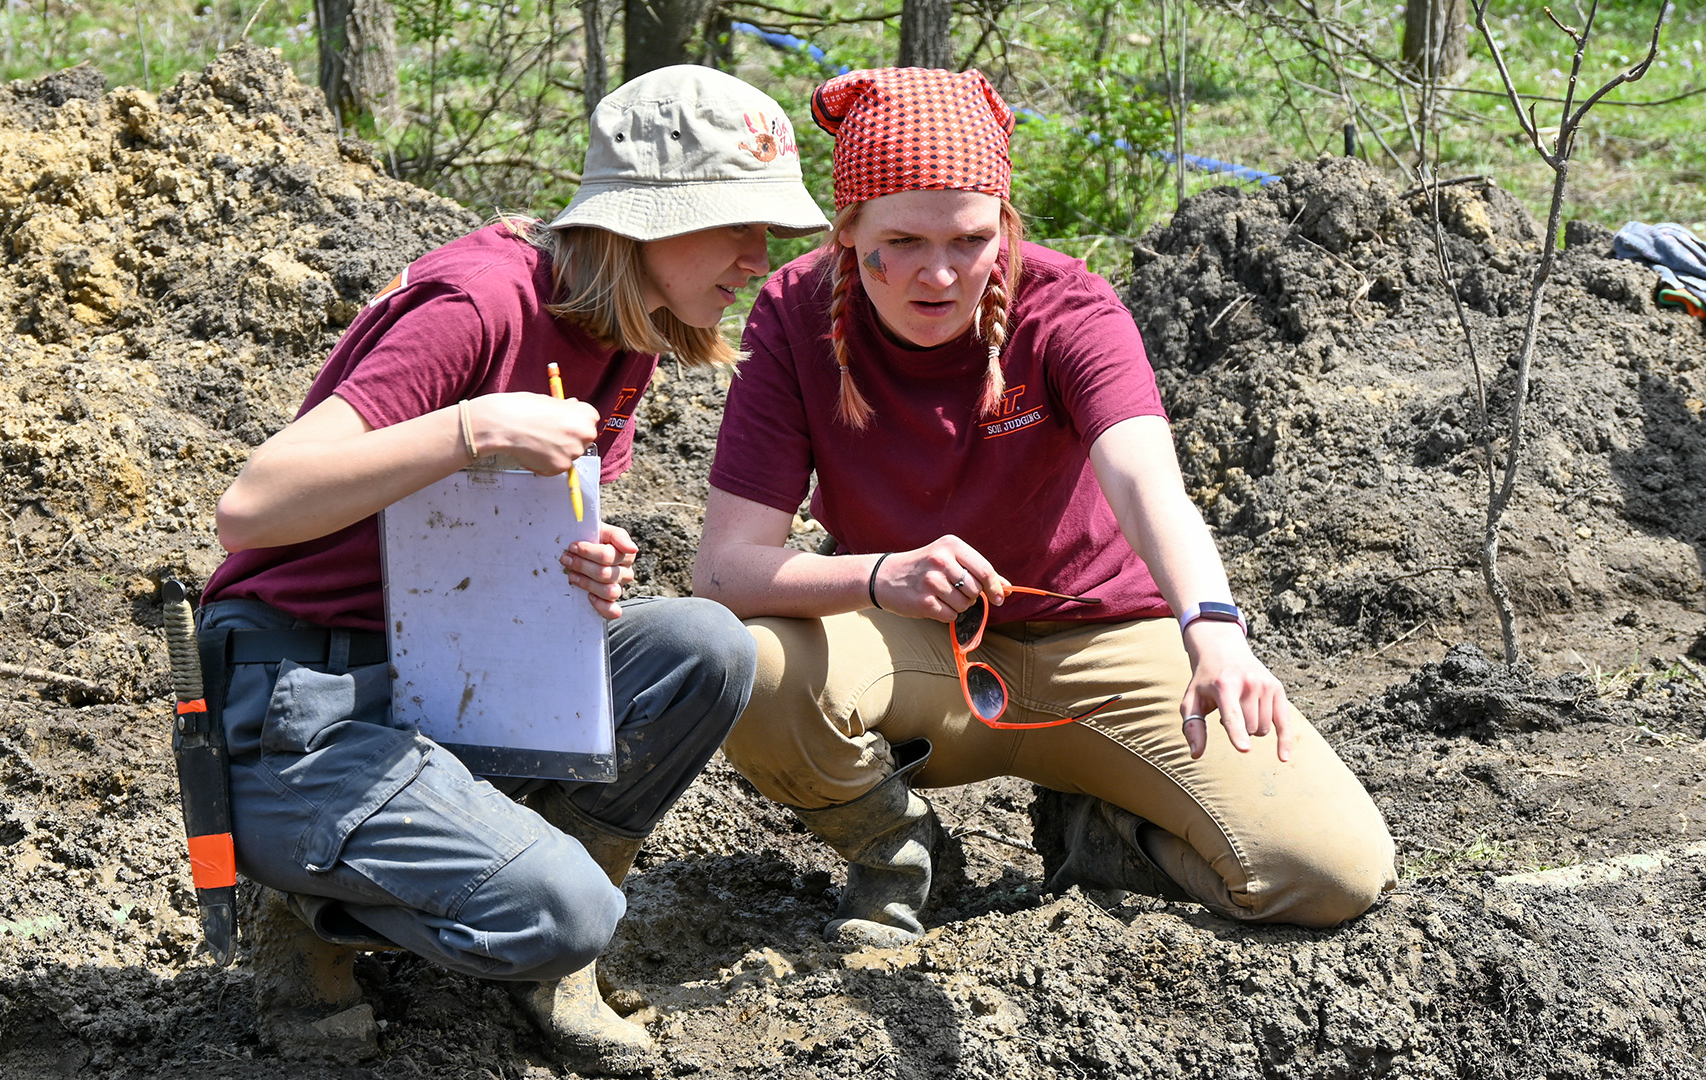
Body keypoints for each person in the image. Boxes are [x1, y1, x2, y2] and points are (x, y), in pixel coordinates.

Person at [196, 65, 828, 1071]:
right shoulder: (477, 307)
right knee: (567, 910)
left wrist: (580, 569)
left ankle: (523, 936)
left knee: (707, 647)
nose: (759, 256)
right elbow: (252, 509)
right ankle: (306, 916)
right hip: (298, 702)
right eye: (740, 225)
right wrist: (469, 427)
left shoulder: (631, 329)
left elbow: (508, 538)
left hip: (446, 664)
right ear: (650, 217)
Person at [692, 67, 1395, 948]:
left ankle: (1105, 839)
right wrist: (880, 576)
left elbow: (1145, 479)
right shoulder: (797, 317)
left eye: (970, 239)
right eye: (902, 240)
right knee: (742, 666)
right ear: (847, 233)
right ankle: (894, 849)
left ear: (1005, 225)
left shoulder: (1068, 305)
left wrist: (1214, 629)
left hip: (1104, 640)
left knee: (1328, 873)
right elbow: (724, 568)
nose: (939, 274)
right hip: (920, 646)